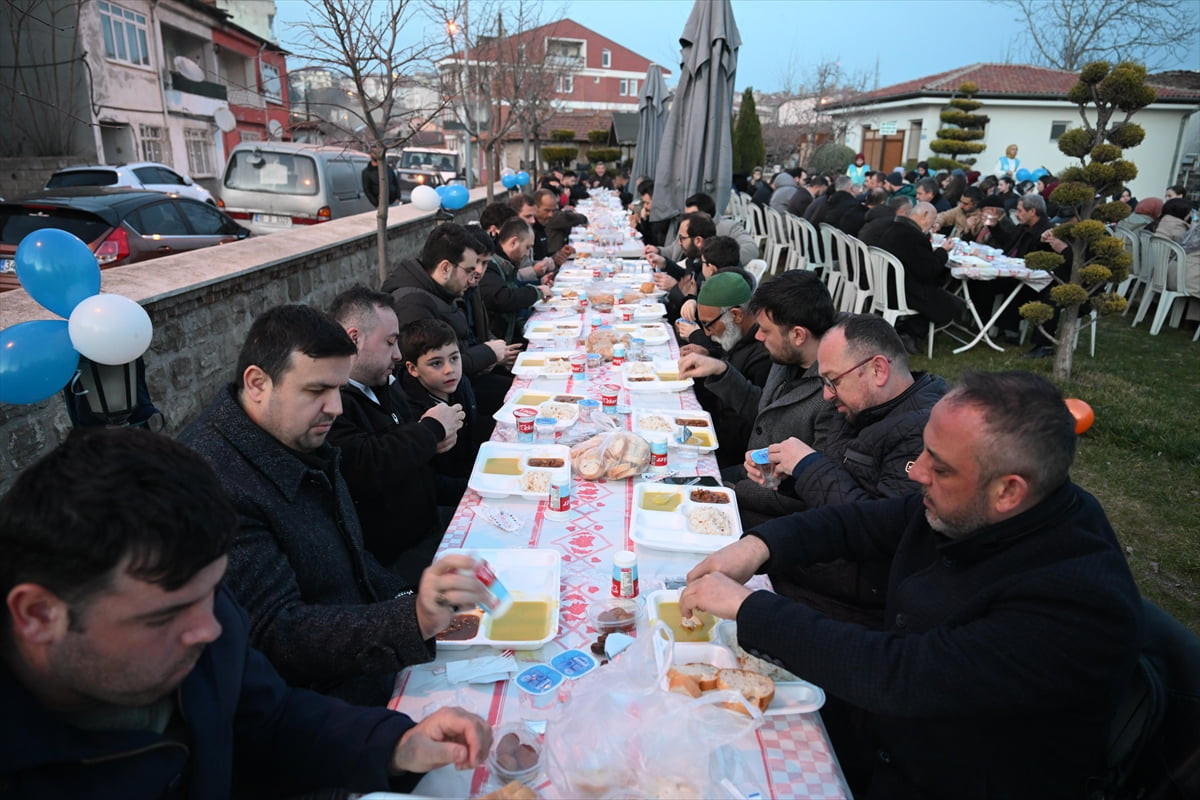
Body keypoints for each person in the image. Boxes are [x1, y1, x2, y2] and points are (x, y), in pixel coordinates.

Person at [680, 370, 1143, 799]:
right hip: (883, 733)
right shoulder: (977, 503)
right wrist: (758, 546)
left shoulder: (1074, 600)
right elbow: (858, 522)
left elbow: (902, 677)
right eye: (924, 451)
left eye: (939, 467)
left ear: (1008, 491)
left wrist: (750, 608)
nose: (916, 472)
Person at [0, 427, 492, 798]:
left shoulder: (202, 618)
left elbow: (270, 719)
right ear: (39, 615)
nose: (209, 628)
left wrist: (393, 746)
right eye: (162, 617)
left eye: (212, 592)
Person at [179, 305, 489, 707]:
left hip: (373, 652)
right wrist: (413, 618)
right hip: (326, 705)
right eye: (316, 391)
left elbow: (353, 561)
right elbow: (276, 632)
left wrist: (411, 598)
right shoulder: (213, 481)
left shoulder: (297, 434)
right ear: (257, 383)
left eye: (339, 390)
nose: (337, 408)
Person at [744, 314, 949, 624]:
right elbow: (841, 486)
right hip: (820, 559)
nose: (827, 394)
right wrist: (788, 475)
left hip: (854, 598)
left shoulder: (923, 432)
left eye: (833, 381)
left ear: (878, 370)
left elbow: (883, 532)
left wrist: (808, 466)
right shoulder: (860, 407)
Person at [678, 270, 841, 526]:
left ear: (798, 335)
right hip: (749, 476)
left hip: (772, 512)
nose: (757, 336)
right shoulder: (788, 358)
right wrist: (721, 370)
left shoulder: (834, 394)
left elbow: (813, 492)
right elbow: (766, 411)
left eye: (766, 330)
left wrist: (732, 490)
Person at [327, 287, 464, 582]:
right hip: (395, 561)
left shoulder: (384, 384)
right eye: (390, 343)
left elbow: (411, 461)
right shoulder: (331, 403)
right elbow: (365, 462)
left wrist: (435, 445)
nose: (398, 354)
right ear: (354, 339)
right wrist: (431, 430)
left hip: (429, 526)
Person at [382, 223, 518, 423]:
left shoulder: (442, 292)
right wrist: (487, 354)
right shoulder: (413, 303)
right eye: (469, 269)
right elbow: (432, 367)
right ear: (445, 268)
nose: (473, 276)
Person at [676, 271, 770, 468]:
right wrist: (709, 354)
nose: (706, 334)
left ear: (736, 315)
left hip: (737, 456)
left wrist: (719, 367)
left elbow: (759, 416)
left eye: (708, 325)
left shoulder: (765, 353)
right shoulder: (737, 335)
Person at [876, 201, 964, 354]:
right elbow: (929, 271)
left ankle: (904, 328)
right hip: (905, 292)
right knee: (956, 305)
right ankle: (909, 331)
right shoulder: (914, 237)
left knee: (946, 298)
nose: (934, 224)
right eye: (933, 219)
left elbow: (917, 261)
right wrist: (943, 251)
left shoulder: (894, 228)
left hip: (886, 285)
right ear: (924, 215)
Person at [399, 318, 479, 484]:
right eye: (436, 363)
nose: (449, 370)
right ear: (413, 369)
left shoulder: (460, 383)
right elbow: (428, 475)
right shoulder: (407, 408)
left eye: (454, 358)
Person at [479, 218, 550, 343]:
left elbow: (514, 287)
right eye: (527, 247)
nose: (527, 254)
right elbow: (502, 298)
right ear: (513, 242)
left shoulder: (506, 262)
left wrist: (539, 284)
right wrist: (537, 292)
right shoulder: (490, 265)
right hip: (500, 342)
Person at [654, 191, 759, 266]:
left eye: (692, 215)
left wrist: (717, 261)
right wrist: (658, 251)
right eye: (686, 215)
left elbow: (751, 249)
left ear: (706, 216)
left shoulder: (728, 227)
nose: (687, 218)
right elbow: (674, 249)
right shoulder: (686, 225)